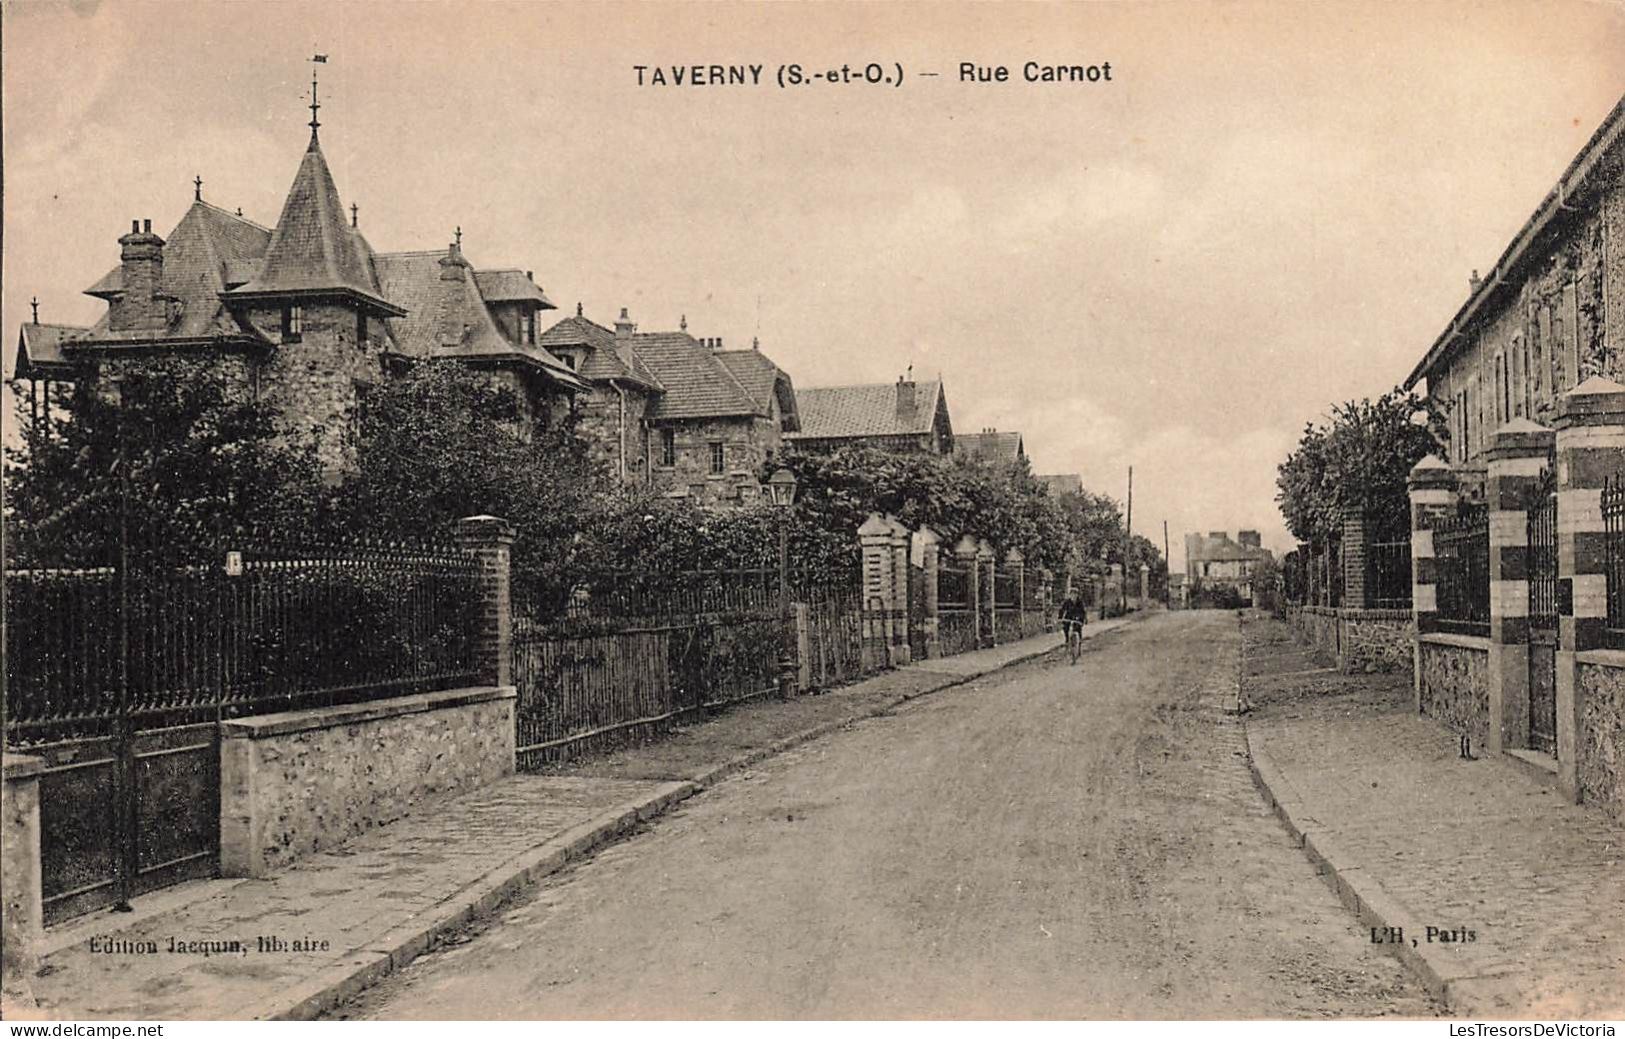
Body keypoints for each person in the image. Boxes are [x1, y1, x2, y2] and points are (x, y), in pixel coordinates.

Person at [1058, 590, 1088, 664]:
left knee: (1078, 631)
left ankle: (1079, 647)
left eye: (1075, 594)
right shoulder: (1067, 602)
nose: (1073, 596)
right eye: (1072, 594)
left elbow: (1083, 611)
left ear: (1077, 595)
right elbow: (1062, 610)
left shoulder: (1080, 602)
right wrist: (1060, 618)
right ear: (1070, 595)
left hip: (1077, 618)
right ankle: (1067, 641)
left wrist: (1083, 619)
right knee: (1066, 629)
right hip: (1069, 618)